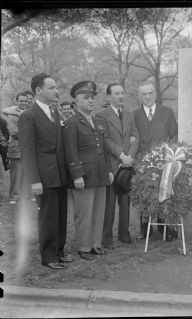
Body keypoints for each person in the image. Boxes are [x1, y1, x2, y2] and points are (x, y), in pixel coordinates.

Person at [18, 73, 71, 269]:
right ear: (38, 91)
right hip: (44, 176)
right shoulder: (28, 116)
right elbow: (27, 151)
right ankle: (48, 256)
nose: (56, 91)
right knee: (48, 217)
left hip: (59, 173)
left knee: (60, 215)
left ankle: (59, 251)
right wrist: (35, 180)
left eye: (56, 87)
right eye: (51, 88)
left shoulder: (55, 112)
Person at [63, 81, 114, 260]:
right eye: (86, 98)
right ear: (76, 102)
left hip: (100, 174)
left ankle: (96, 244)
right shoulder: (71, 122)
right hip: (83, 176)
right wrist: (77, 175)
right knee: (84, 213)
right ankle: (84, 247)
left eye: (92, 98)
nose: (91, 101)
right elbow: (70, 151)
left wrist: (108, 170)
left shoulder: (98, 121)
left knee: (99, 211)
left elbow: (104, 148)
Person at [94, 83, 139, 249]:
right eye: (117, 93)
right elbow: (105, 140)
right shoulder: (100, 116)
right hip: (112, 165)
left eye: (122, 93)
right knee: (109, 204)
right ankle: (106, 239)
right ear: (108, 97)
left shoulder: (129, 114)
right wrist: (121, 155)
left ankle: (124, 234)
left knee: (125, 201)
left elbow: (136, 137)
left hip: (127, 165)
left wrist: (130, 157)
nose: (121, 96)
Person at [133, 81, 178, 241]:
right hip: (143, 162)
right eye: (144, 94)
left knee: (164, 193)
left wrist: (170, 155)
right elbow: (133, 138)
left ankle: (165, 228)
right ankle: (145, 230)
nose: (147, 96)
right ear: (140, 96)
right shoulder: (135, 115)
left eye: (150, 93)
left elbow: (174, 136)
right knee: (144, 194)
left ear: (155, 94)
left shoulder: (167, 112)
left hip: (164, 161)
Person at [3, 92, 29, 204]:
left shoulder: (31, 112)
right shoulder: (11, 114)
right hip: (16, 148)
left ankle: (25, 196)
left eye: (25, 101)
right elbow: (13, 132)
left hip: (29, 148)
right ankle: (14, 196)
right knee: (16, 174)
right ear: (17, 101)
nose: (23, 103)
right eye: (21, 101)